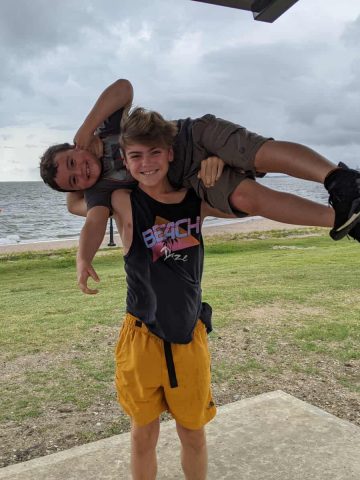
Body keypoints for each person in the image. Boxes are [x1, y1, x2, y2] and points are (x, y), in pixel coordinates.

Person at [39, 79, 360, 292]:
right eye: (73, 181)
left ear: (75, 146)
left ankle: (339, 180)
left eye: (71, 162)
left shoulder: (103, 128)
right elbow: (93, 225)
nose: (79, 172)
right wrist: (83, 259)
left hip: (194, 136)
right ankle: (346, 220)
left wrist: (87, 126)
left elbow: (123, 88)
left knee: (258, 154)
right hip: (194, 176)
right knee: (249, 198)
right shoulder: (101, 193)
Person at [108, 107, 229, 479]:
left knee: (192, 433)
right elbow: (73, 201)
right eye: (136, 156)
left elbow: (244, 200)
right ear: (126, 161)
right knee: (144, 434)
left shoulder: (198, 200)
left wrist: (217, 166)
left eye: (155, 152)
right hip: (141, 337)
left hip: (188, 336)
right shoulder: (124, 202)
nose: (147, 163)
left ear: (170, 153)